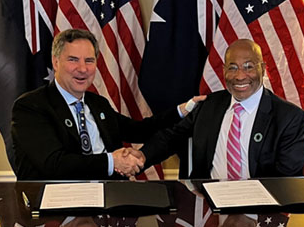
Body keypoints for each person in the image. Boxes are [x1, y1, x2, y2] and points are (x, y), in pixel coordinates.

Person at [11, 29, 203, 180]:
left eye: (89, 61)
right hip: (56, 209)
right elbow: (54, 164)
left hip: (109, 200)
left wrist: (183, 109)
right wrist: (113, 162)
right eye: (73, 60)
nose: (82, 69)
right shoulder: (31, 107)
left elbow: (140, 130)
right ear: (55, 62)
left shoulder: (97, 103)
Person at [134, 39, 304, 179]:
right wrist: (141, 157)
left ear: (262, 69)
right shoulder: (208, 105)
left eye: (249, 67)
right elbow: (171, 137)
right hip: (209, 207)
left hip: (261, 210)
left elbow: (287, 178)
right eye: (232, 68)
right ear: (224, 71)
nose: (240, 76)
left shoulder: (289, 118)